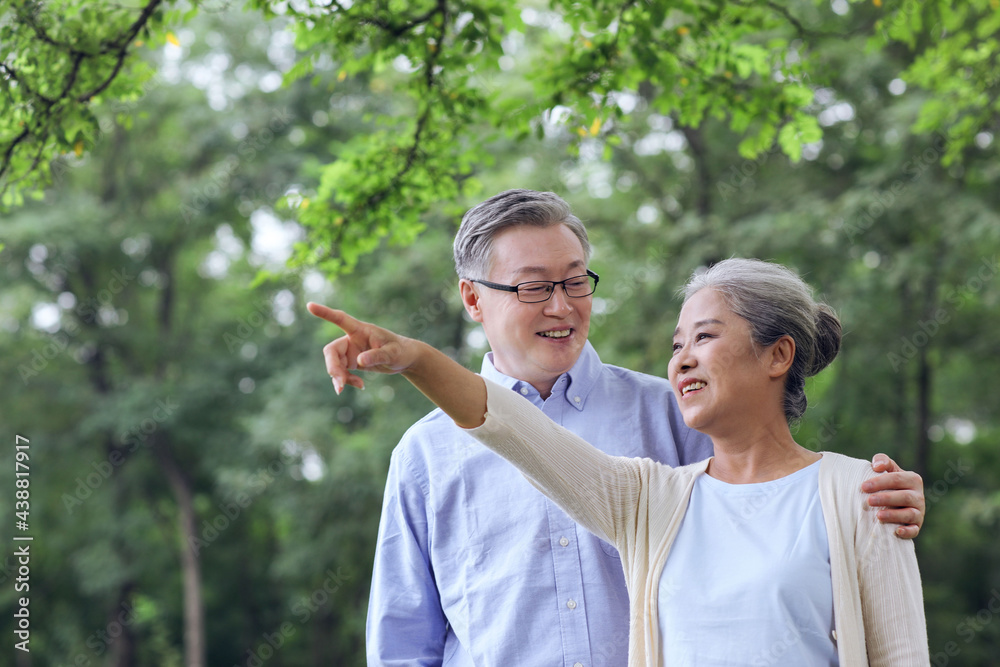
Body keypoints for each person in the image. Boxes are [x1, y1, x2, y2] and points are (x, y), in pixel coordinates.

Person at [317, 190, 926, 666]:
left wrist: (877, 500)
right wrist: (416, 361)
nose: (561, 305)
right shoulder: (430, 454)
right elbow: (403, 644)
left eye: (575, 282)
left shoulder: (681, 418)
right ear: (473, 300)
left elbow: (770, 479)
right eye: (534, 287)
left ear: (778, 354)